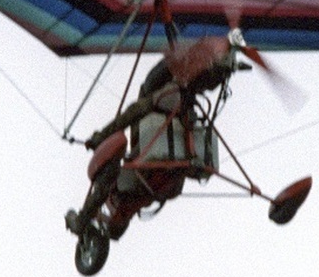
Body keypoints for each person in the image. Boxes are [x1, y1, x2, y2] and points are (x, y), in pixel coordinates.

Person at [66, 37, 238, 235]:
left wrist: (101, 137)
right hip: (162, 158)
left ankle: (82, 221)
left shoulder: (171, 103)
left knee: (142, 117)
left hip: (160, 156)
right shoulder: (168, 101)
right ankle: (83, 220)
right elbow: (133, 113)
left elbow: (132, 114)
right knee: (145, 115)